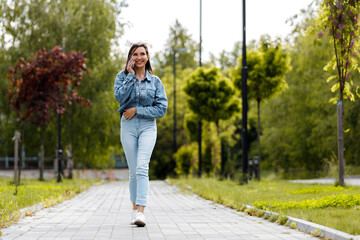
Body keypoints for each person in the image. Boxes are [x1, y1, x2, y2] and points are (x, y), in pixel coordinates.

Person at [114, 43, 168, 227]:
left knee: (142, 167)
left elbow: (161, 109)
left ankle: (141, 212)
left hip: (147, 127)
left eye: (142, 54)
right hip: (128, 127)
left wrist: (138, 110)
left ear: (147, 56)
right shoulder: (121, 77)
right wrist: (129, 77)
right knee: (133, 172)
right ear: (130, 57)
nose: (139, 57)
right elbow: (120, 98)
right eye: (135, 54)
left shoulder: (155, 82)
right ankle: (134, 209)